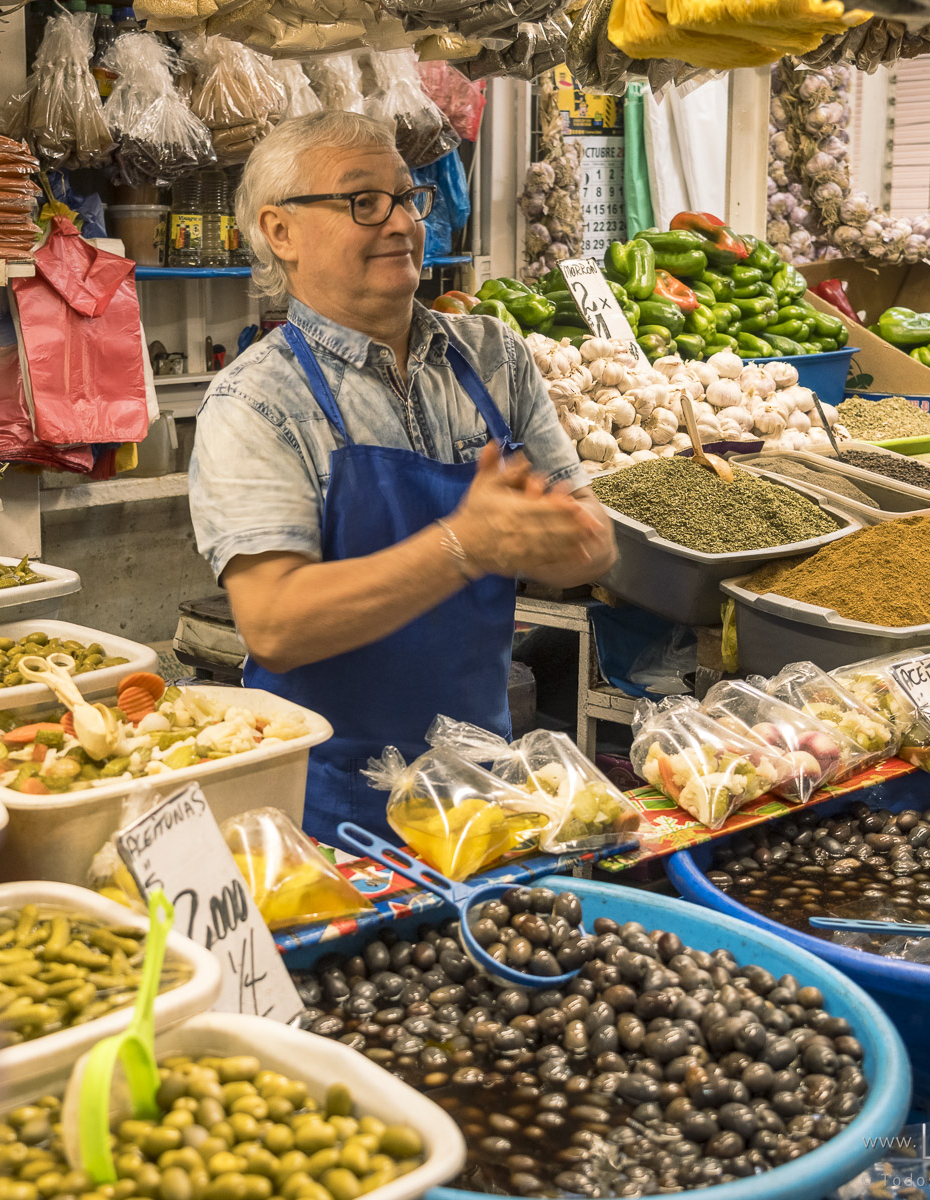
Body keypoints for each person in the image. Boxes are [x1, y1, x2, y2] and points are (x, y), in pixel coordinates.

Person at [187, 110, 617, 842]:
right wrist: (464, 546)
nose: (401, 224)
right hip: (324, 806)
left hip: (481, 784)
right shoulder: (255, 400)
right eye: (363, 203)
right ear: (280, 231)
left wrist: (570, 540)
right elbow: (276, 622)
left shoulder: (490, 356)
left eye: (407, 197)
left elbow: (593, 542)